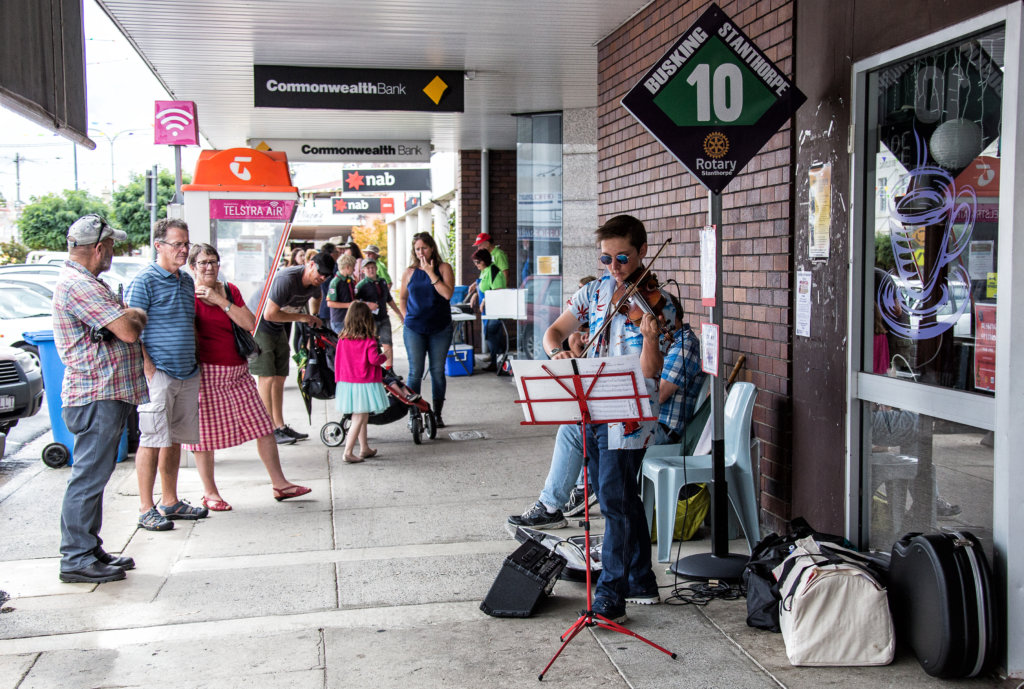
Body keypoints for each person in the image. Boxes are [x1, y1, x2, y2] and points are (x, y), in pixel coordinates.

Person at [539, 214, 674, 623]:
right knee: (617, 495)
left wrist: (650, 336)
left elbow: (651, 372)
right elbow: (554, 332)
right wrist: (558, 352)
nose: (614, 268)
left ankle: (611, 592)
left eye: (622, 258)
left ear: (641, 253)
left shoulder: (657, 302)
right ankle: (640, 579)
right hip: (592, 407)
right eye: (606, 260)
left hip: (630, 413)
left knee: (613, 501)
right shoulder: (593, 294)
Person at [54, 215, 148, 583]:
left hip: (105, 393)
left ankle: (88, 547)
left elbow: (125, 323)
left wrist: (129, 315)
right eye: (111, 246)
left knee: (96, 475)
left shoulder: (89, 283)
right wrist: (132, 315)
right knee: (88, 478)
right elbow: (128, 329)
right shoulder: (80, 286)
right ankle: (76, 557)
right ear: (98, 248)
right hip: (96, 394)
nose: (114, 251)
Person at [182, 244, 312, 510]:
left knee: (263, 426)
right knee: (203, 436)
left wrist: (221, 301)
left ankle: (280, 484)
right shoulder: (187, 296)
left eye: (213, 261)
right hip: (206, 373)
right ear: (192, 267)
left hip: (238, 370)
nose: (209, 267)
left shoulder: (229, 290)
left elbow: (250, 323)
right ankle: (210, 493)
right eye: (203, 262)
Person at [126, 218, 207, 532]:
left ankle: (170, 501)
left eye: (186, 243)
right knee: (151, 440)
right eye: (177, 244)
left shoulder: (186, 281)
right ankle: (146, 508)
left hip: (187, 370)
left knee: (173, 440)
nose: (184, 250)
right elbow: (132, 329)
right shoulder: (144, 281)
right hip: (158, 373)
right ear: (158, 245)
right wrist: (147, 364)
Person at [249, 251, 337, 444]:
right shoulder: (286, 279)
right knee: (267, 377)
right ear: (310, 264)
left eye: (326, 276)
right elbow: (269, 314)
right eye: (320, 273)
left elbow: (317, 298)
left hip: (278, 326)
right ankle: (268, 430)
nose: (322, 278)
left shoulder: (315, 285)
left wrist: (313, 316)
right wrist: (303, 317)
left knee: (280, 376)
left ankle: (280, 426)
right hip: (259, 325)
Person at [399, 232, 454, 428]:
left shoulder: (443, 268)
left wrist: (431, 273)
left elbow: (447, 294)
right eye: (417, 249)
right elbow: (403, 298)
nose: (421, 252)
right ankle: (414, 413)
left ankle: (437, 414)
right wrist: (405, 316)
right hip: (414, 327)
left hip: (440, 328)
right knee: (415, 372)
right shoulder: (409, 272)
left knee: (438, 371)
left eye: (424, 248)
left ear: (432, 248)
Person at [334, 301, 389, 464]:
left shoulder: (342, 339)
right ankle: (348, 452)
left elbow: (338, 361)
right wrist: (384, 355)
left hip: (346, 382)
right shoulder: (369, 341)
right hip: (363, 382)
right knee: (359, 417)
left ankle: (364, 448)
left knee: (360, 415)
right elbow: (374, 360)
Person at [355, 259, 403, 369]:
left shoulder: (382, 282)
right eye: (368, 268)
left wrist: (399, 314)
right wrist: (367, 304)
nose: (371, 270)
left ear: (376, 268)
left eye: (373, 267)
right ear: (363, 270)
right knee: (371, 344)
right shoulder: (361, 285)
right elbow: (355, 303)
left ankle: (389, 369)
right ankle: (373, 368)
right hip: (370, 319)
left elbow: (389, 299)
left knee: (387, 342)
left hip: (383, 317)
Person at [469, 248, 507, 372]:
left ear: (484, 261)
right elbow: (483, 287)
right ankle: (496, 362)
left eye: (477, 263)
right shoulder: (484, 271)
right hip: (486, 310)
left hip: (494, 309)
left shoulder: (494, 271)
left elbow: (498, 290)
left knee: (493, 335)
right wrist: (475, 295)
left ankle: (498, 363)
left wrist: (485, 300)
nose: (476, 265)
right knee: (490, 335)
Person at [325, 254, 358, 333]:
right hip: (339, 320)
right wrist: (349, 305)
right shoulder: (335, 282)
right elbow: (330, 303)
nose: (354, 270)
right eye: (353, 267)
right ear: (347, 267)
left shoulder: (349, 280)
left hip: (349, 318)